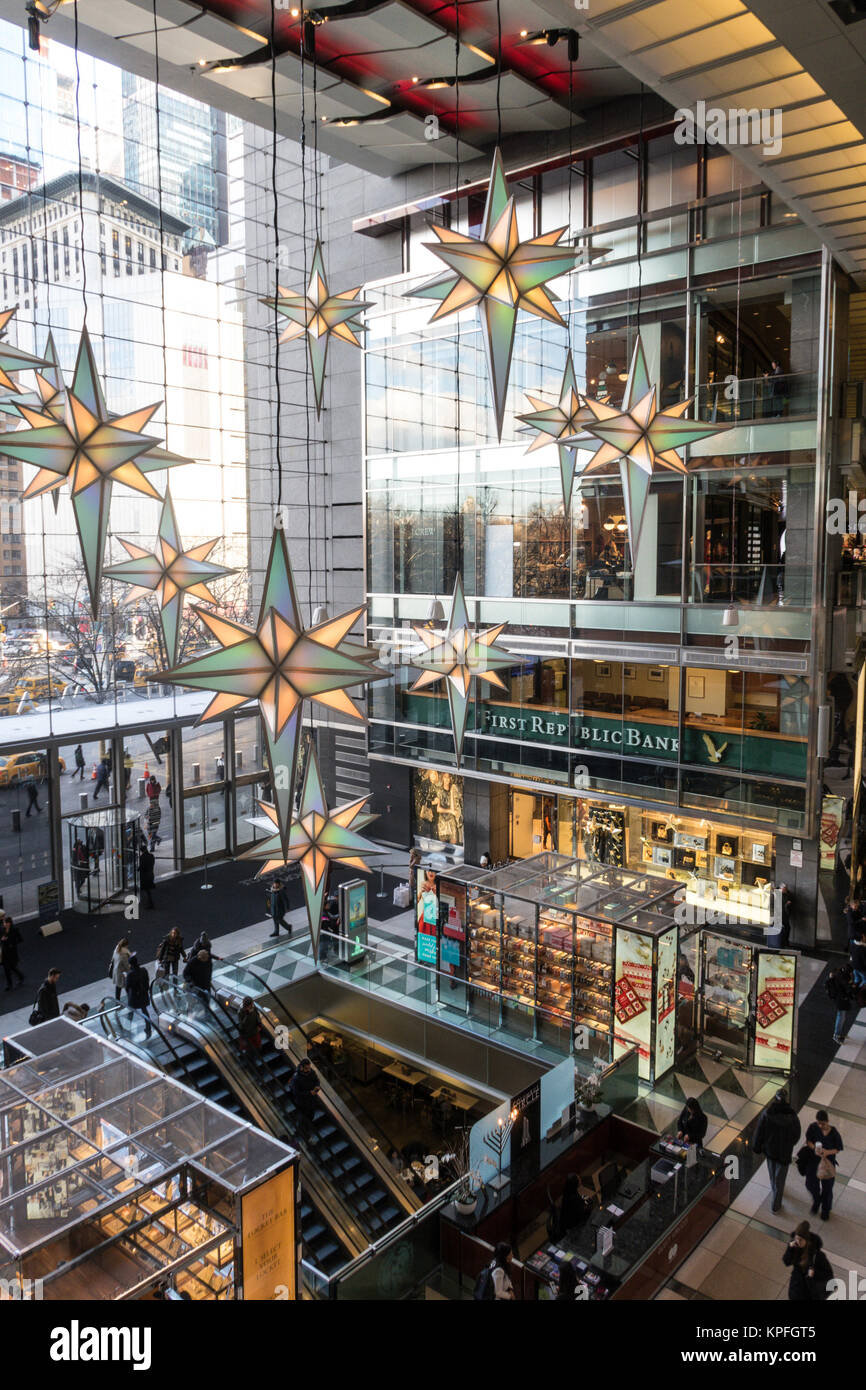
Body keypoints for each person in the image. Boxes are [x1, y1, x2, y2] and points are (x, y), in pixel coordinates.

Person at [752, 1089, 802, 1212]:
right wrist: (790, 1143)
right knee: (781, 1178)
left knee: (772, 1172)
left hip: (770, 1150)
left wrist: (757, 1146)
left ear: (775, 1098)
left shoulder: (767, 1113)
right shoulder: (792, 1116)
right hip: (785, 1152)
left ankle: (774, 1189)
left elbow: (760, 1132)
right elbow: (797, 1134)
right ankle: (776, 1204)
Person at [803, 1110, 844, 1221]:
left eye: (823, 1123)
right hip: (814, 1162)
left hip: (828, 1164)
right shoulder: (813, 1127)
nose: (820, 1126)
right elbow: (808, 1141)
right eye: (819, 1123)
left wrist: (827, 1152)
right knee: (810, 1184)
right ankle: (817, 1200)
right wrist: (814, 1148)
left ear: (827, 1121)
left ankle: (825, 1210)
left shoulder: (834, 1133)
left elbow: (838, 1148)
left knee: (827, 1188)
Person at [783, 1222, 833, 1301]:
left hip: (810, 1290)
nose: (798, 1242)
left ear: (807, 1240)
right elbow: (786, 1262)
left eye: (801, 1240)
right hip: (796, 1287)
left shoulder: (818, 1256)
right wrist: (790, 1249)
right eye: (796, 1238)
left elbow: (828, 1274)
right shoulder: (794, 1247)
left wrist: (813, 1273)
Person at [826, 963, 856, 1044]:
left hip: (838, 998)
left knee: (842, 1016)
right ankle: (836, 1035)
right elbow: (848, 989)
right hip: (841, 999)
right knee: (841, 1016)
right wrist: (852, 985)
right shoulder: (843, 979)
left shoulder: (838, 972)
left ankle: (838, 1034)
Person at [125, 953, 152, 1038]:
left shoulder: (130, 974)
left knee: (130, 1013)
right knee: (145, 1011)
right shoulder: (143, 970)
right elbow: (147, 980)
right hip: (143, 995)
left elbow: (127, 987)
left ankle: (127, 1029)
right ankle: (148, 1027)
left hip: (134, 997)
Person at [289, 1057, 321, 1123]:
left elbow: (317, 1080)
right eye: (306, 1068)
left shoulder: (311, 1072)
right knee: (304, 1117)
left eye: (309, 1067)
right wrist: (309, 1093)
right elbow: (296, 1093)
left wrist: (317, 1086)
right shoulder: (296, 1078)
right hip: (302, 1102)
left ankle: (308, 1124)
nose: (309, 1070)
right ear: (301, 1067)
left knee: (311, 1115)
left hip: (311, 1100)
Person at [0, 915, 23, 990]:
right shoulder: (2, 930)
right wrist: (2, 939)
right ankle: (9, 985)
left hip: (12, 952)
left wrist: (11, 943)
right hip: (5, 952)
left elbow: (20, 939)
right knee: (6, 969)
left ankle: (20, 977)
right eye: (4, 923)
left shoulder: (15, 929)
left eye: (6, 923)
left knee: (12, 967)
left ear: (9, 923)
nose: (4, 924)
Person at [110, 937, 131, 1002]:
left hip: (116, 971)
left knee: (118, 987)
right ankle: (130, 1001)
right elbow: (127, 966)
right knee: (128, 987)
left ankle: (117, 1002)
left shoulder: (117, 948)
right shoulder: (124, 954)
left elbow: (113, 959)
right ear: (126, 945)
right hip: (123, 973)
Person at [139, 845, 155, 910]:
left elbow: (142, 866)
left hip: (145, 876)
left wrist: (138, 869)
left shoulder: (142, 857)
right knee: (148, 890)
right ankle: (149, 903)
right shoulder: (151, 856)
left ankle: (150, 904)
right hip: (151, 874)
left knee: (146, 890)